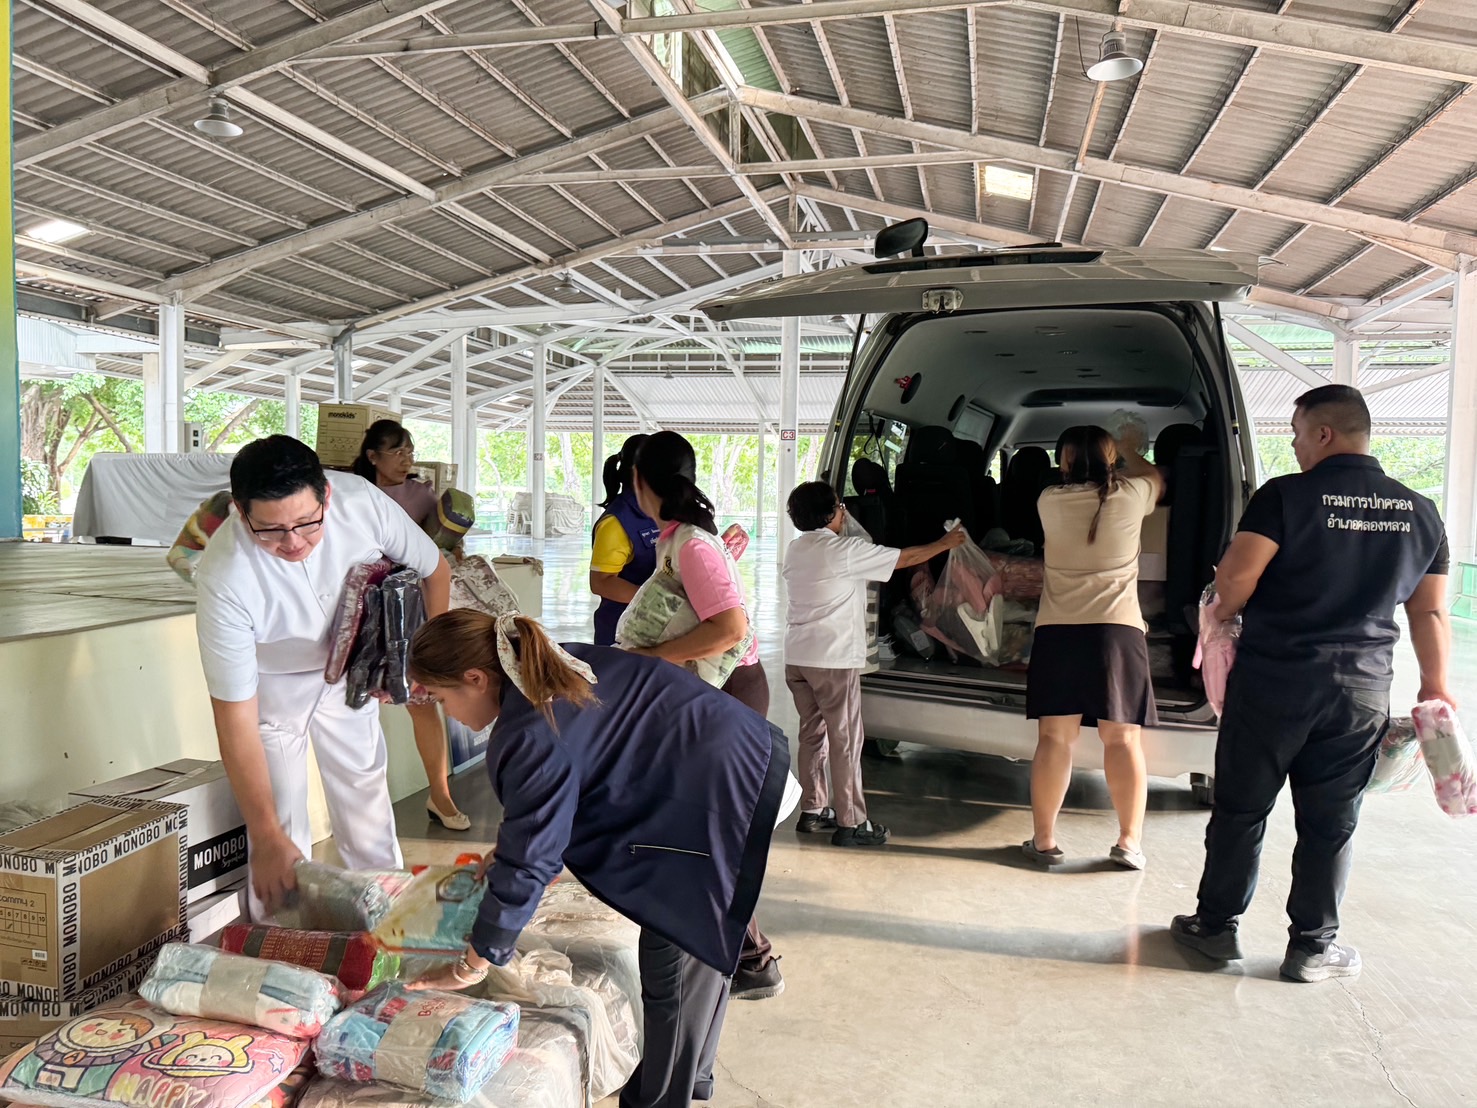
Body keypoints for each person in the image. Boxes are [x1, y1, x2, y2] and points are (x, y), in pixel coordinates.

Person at [404, 610, 789, 1108]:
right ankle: (691, 1080)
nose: (447, 712)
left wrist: (473, 963)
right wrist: (509, 851)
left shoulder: (529, 729)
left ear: (475, 679)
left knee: (672, 961)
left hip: (716, 795)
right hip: (732, 760)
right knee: (698, 953)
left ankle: (661, 1098)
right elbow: (561, 790)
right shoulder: (541, 664)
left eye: (441, 698)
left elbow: (532, 863)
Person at [1172, 385, 1453, 983]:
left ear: (1324, 433)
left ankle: (1216, 929)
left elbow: (1236, 579)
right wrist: (1435, 684)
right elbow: (1428, 612)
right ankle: (1311, 948)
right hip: (1361, 691)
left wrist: (1217, 618)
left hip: (1276, 678)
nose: (1295, 446)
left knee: (1242, 809)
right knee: (1332, 820)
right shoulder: (1420, 511)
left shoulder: (1284, 497)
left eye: (1297, 433)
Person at [194, 436, 452, 916]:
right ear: (239, 511)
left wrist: (428, 662)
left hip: (349, 667)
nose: (292, 542)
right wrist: (267, 833)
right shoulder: (224, 576)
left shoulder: (361, 502)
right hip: (273, 685)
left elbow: (435, 571)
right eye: (269, 530)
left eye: (306, 523)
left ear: (326, 495)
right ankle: (284, 952)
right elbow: (234, 720)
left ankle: (388, 930)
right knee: (277, 823)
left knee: (365, 800)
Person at [620, 430, 783, 1001]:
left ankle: (751, 959)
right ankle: (741, 955)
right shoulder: (679, 540)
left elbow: (731, 629)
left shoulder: (692, 546)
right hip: (710, 691)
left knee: (716, 833)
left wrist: (650, 659)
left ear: (642, 481)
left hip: (732, 693)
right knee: (708, 829)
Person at [782, 481, 965, 846]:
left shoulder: (795, 549)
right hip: (832, 659)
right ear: (831, 514)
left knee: (811, 735)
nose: (844, 511)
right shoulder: (843, 550)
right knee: (846, 739)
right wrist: (946, 544)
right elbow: (903, 558)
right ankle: (852, 822)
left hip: (798, 657)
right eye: (839, 506)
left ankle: (813, 811)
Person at [1023, 424, 1163, 871]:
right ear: (1109, 461)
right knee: (1121, 740)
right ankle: (1128, 843)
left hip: (1058, 632)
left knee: (1053, 739)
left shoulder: (1048, 500)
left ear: (1062, 462)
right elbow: (1158, 479)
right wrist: (1129, 451)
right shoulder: (1131, 494)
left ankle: (1044, 842)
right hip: (1116, 633)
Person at [352, 420, 470, 832]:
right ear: (373, 457)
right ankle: (362, 807)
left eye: (410, 451)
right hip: (363, 613)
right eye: (397, 451)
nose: (407, 459)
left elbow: (448, 548)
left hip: (413, 610)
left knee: (422, 703)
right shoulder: (354, 494)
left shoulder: (421, 494)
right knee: (357, 703)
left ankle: (440, 795)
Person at [589, 434, 656, 646]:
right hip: (622, 632)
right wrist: (656, 601)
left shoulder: (656, 512)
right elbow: (601, 582)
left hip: (653, 627)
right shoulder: (616, 522)